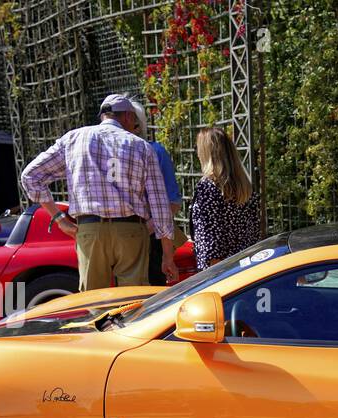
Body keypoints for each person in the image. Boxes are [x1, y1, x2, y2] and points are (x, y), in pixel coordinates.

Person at [20, 93, 177, 291]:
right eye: (134, 122)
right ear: (128, 116)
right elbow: (160, 205)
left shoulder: (73, 140)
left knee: (93, 300)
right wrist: (167, 256)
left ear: (104, 116)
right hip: (131, 232)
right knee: (132, 301)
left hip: (89, 231)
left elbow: (30, 176)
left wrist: (59, 218)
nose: (134, 127)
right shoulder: (142, 147)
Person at [131, 99, 184, 285]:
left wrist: (145, 229)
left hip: (152, 241)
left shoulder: (156, 152)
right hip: (124, 241)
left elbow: (173, 202)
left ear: (137, 125)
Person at [189, 126, 259, 267]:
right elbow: (254, 232)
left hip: (221, 273)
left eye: (199, 149)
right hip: (246, 266)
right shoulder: (244, 186)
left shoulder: (208, 187)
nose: (197, 154)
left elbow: (212, 244)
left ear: (207, 153)